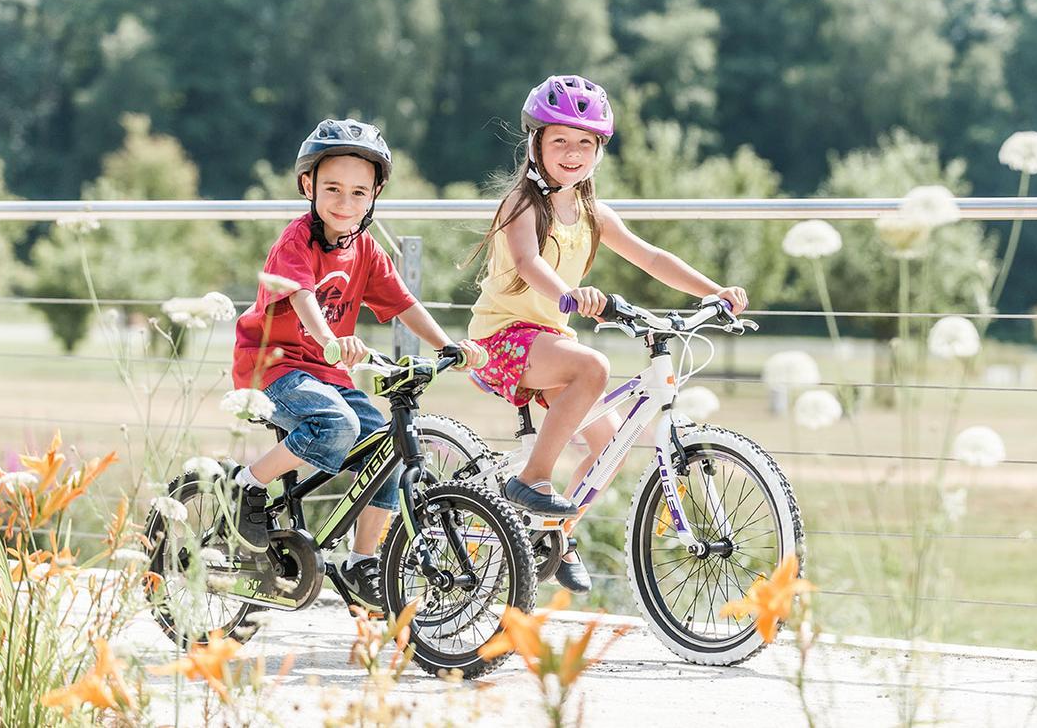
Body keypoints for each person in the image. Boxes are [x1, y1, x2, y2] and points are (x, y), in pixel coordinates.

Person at [466, 75, 748, 593]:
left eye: (584, 143)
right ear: (535, 144)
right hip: (501, 338)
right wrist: (569, 297)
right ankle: (531, 480)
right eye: (559, 141)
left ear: (598, 151)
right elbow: (529, 263)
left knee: (611, 442)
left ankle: (556, 535)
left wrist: (716, 292)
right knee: (592, 366)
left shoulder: (593, 213)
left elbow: (652, 257)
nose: (572, 152)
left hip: (547, 342)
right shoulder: (522, 204)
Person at [230, 118, 485, 611]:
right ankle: (247, 487)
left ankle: (361, 560)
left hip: (325, 373)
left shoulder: (364, 248)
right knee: (335, 423)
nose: (345, 203)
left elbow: (403, 303)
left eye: (358, 192)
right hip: (272, 367)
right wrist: (329, 339)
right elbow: (301, 294)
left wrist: (447, 345)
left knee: (386, 446)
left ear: (374, 196)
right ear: (308, 186)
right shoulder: (296, 241)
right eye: (332, 189)